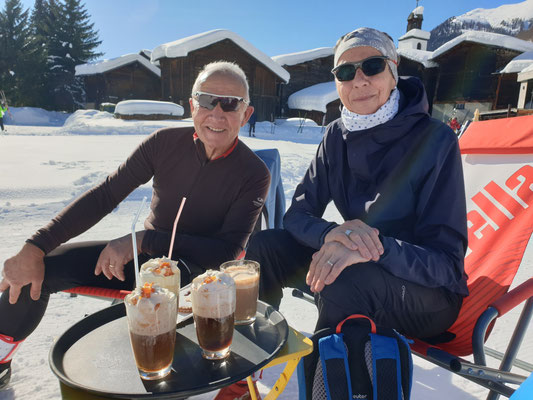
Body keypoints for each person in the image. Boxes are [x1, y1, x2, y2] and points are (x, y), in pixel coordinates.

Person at [0, 61, 271, 389]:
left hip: (198, 279)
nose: (217, 113)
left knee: (153, 341)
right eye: (206, 100)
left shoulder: (254, 173)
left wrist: (144, 240)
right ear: (191, 105)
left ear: (246, 114)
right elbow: (105, 195)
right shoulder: (163, 143)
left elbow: (227, 251)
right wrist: (37, 245)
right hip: (142, 263)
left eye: (230, 103)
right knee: (41, 269)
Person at [247, 27, 468, 344]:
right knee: (263, 249)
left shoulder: (435, 140)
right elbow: (297, 214)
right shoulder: (336, 136)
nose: (359, 80)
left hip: (427, 294)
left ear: (393, 69)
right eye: (346, 71)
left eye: (373, 66)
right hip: (356, 269)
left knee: (346, 279)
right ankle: (253, 358)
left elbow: (446, 264)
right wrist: (332, 234)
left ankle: (331, 384)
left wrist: (372, 249)